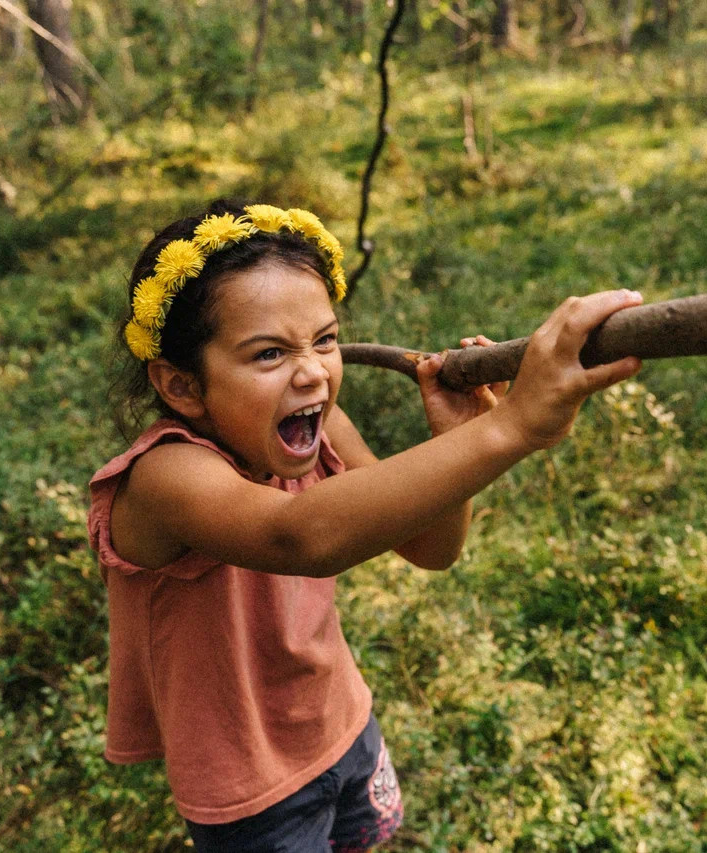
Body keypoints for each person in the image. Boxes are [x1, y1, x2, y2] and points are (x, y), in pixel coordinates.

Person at [87, 199, 643, 852]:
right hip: (250, 784)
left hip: (342, 720)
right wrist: (512, 426)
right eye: (269, 353)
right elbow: (300, 535)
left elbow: (432, 548)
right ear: (182, 386)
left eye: (324, 339)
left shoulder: (323, 428)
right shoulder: (165, 477)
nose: (314, 371)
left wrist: (458, 441)